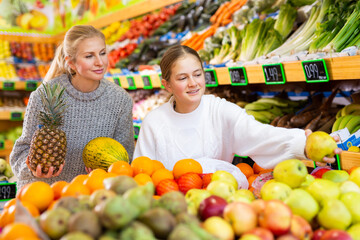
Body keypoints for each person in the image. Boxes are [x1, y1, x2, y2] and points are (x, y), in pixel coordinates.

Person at [133, 44, 341, 188]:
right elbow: (142, 174)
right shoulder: (154, 122)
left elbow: (259, 135)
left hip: (221, 201)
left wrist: (302, 144)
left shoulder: (220, 111)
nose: (193, 83)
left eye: (197, 74)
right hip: (170, 207)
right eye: (182, 78)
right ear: (167, 84)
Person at [10, 25, 134, 189]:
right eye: (89, 56)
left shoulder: (120, 100)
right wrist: (33, 169)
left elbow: (125, 159)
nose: (100, 62)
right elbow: (19, 154)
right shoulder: (45, 95)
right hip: (43, 194)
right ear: (71, 62)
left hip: (91, 196)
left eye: (102, 53)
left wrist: (107, 172)